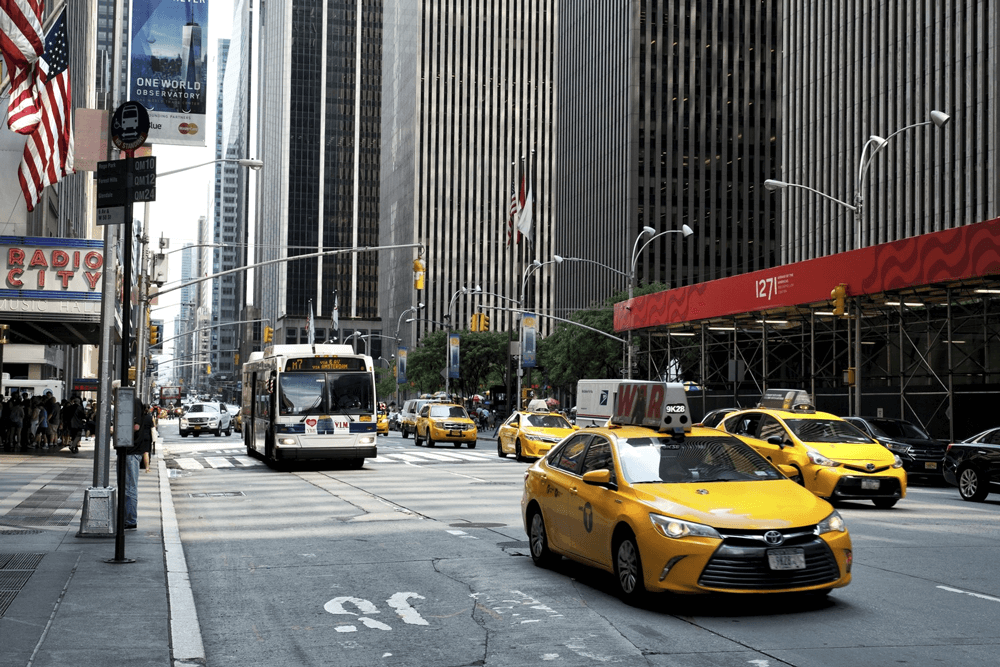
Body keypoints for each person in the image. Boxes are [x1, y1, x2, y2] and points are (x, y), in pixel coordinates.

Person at [124, 399, 154, 530]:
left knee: (130, 487)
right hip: (140, 446)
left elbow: (136, 427)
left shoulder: (134, 405)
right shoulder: (147, 416)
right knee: (129, 487)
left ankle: (130, 519)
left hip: (133, 450)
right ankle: (128, 518)